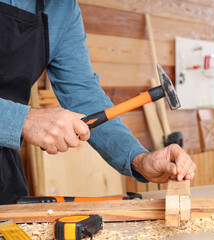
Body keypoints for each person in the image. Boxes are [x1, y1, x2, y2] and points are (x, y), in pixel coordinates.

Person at [0, 0, 196, 204]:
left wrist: (139, 159)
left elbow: (83, 95)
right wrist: (22, 120)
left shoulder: (64, 9)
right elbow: (22, 120)